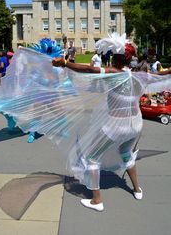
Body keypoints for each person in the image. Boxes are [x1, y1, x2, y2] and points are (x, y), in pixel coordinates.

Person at [52, 33, 171, 211]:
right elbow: (162, 74)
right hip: (136, 125)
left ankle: (96, 200)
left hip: (116, 126)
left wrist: (65, 63)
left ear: (115, 60)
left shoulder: (115, 74)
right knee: (126, 154)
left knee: (92, 158)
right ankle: (137, 189)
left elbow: (89, 70)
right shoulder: (140, 75)